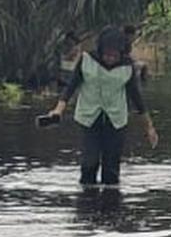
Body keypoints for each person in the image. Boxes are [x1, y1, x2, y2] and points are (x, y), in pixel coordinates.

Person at [45, 26, 158, 187]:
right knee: (89, 164)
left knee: (111, 171)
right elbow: (70, 88)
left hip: (116, 121)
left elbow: (137, 99)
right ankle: (86, 206)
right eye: (106, 54)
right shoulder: (86, 60)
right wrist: (58, 110)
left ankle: (111, 208)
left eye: (114, 55)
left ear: (121, 53)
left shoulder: (127, 67)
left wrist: (149, 128)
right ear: (100, 50)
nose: (110, 58)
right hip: (89, 118)